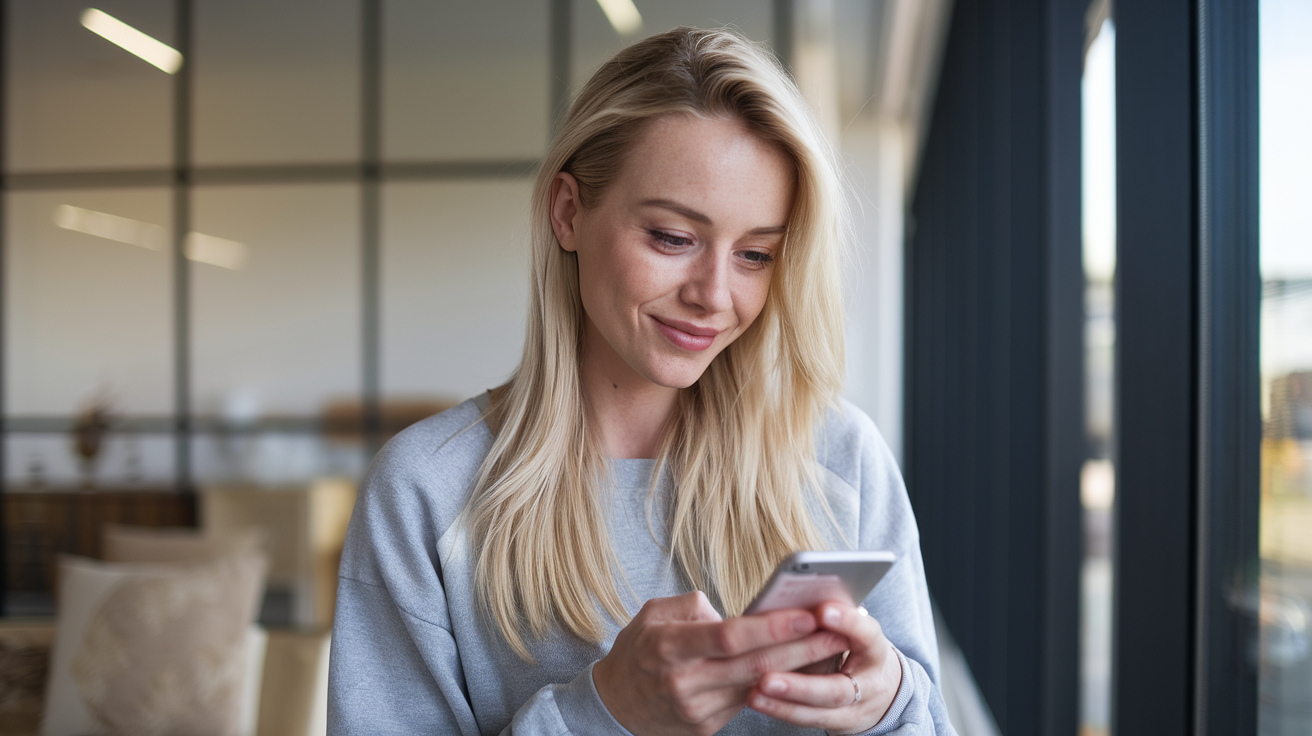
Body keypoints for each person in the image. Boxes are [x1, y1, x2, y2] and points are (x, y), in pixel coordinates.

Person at [328, 26, 954, 736]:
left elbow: (929, 720)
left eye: (755, 255)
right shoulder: (427, 494)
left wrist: (890, 700)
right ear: (568, 213)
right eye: (673, 238)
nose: (714, 295)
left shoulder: (840, 460)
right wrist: (602, 714)